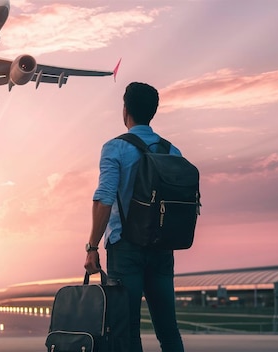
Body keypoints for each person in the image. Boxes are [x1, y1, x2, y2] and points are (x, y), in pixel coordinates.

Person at [84, 82, 185, 352]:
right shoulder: (172, 151)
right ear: (153, 112)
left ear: (125, 110)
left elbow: (104, 198)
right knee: (168, 329)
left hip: (125, 248)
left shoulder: (115, 148)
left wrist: (92, 247)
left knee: (127, 329)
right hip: (162, 247)